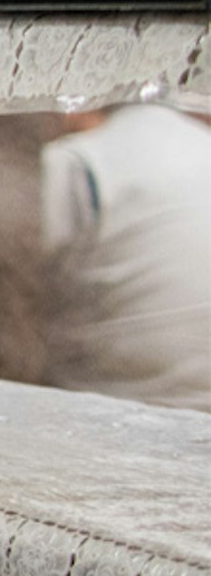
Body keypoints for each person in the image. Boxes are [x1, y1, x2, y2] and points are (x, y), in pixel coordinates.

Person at [37, 100, 211, 413]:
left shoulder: (79, 160)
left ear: (73, 108)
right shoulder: (201, 143)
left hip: (113, 412)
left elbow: (10, 289)